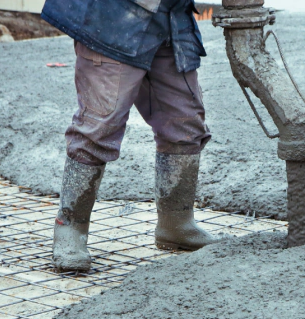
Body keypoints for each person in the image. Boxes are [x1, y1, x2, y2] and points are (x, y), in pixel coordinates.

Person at [41, 0, 218, 271]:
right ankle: (70, 229)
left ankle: (176, 224)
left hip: (170, 16)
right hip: (112, 15)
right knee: (98, 126)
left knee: (185, 123)